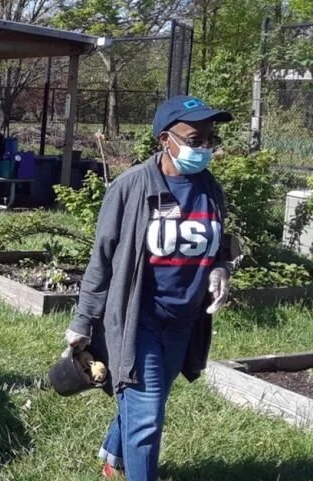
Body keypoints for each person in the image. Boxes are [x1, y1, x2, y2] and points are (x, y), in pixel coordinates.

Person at [62, 96, 239, 481]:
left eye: (211, 138)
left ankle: (113, 453)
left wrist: (221, 268)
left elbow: (220, 240)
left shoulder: (209, 187)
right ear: (165, 139)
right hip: (136, 320)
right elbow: (103, 259)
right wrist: (82, 321)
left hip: (183, 320)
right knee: (147, 417)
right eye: (195, 138)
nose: (205, 147)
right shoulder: (131, 187)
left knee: (148, 400)